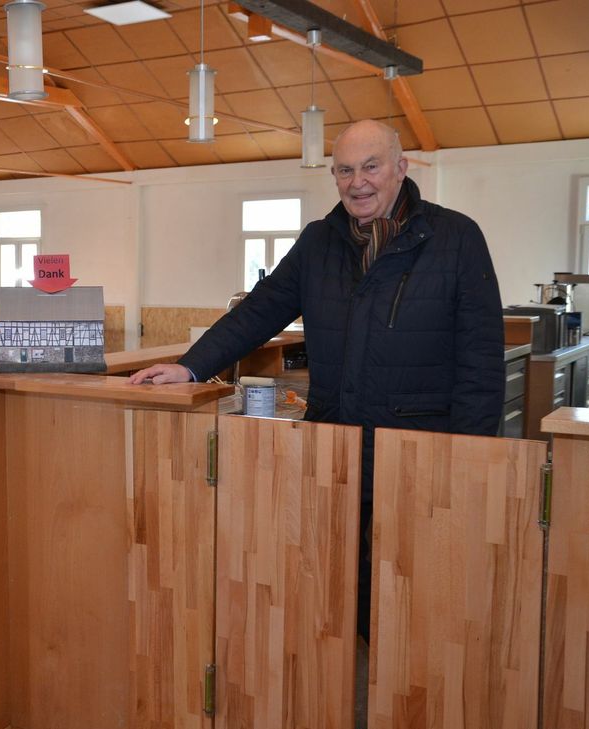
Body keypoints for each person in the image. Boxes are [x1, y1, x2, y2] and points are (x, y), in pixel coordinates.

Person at [131, 119, 504, 643]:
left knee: (409, 592)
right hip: (332, 442)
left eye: (371, 167)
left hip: (418, 448)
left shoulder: (455, 238)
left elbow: (481, 359)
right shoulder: (318, 242)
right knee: (332, 585)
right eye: (345, 171)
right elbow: (258, 311)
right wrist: (190, 366)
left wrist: (472, 457)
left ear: (401, 168)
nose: (358, 182)